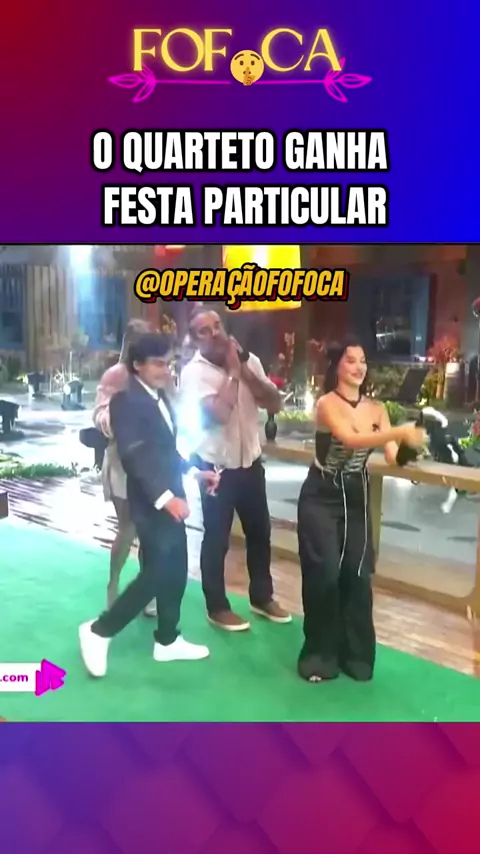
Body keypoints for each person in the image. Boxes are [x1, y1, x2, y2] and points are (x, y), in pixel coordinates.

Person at [79, 333, 219, 677]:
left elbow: (165, 451)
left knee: (176, 569)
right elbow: (135, 455)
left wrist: (194, 472)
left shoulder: (160, 397)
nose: (165, 370)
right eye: (158, 363)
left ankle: (168, 639)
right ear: (137, 365)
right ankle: (99, 631)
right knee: (156, 574)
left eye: (168, 363)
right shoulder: (125, 401)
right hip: (151, 501)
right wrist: (166, 498)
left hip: (172, 496)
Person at [297, 338, 427, 684]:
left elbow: (391, 455)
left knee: (356, 574)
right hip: (322, 493)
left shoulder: (377, 409)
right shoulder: (327, 403)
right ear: (337, 366)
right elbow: (350, 439)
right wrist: (398, 430)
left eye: (363, 361)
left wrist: (411, 446)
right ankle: (319, 656)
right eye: (351, 360)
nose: (358, 367)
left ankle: (355, 656)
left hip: (356, 492)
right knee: (324, 573)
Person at [180, 308, 291, 631]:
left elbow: (274, 403)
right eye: (204, 330)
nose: (215, 333)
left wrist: (243, 369)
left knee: (260, 533)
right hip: (216, 468)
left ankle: (262, 597)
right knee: (217, 539)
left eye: (217, 325)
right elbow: (217, 415)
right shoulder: (193, 374)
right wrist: (232, 373)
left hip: (250, 462)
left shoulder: (249, 361)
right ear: (194, 340)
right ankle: (217, 606)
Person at [93, 318, 156, 615]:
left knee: (150, 530)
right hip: (122, 460)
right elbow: (100, 415)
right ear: (128, 343)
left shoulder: (155, 374)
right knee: (129, 526)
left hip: (152, 463)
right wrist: (120, 421)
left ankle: (146, 590)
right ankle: (114, 582)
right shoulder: (115, 375)